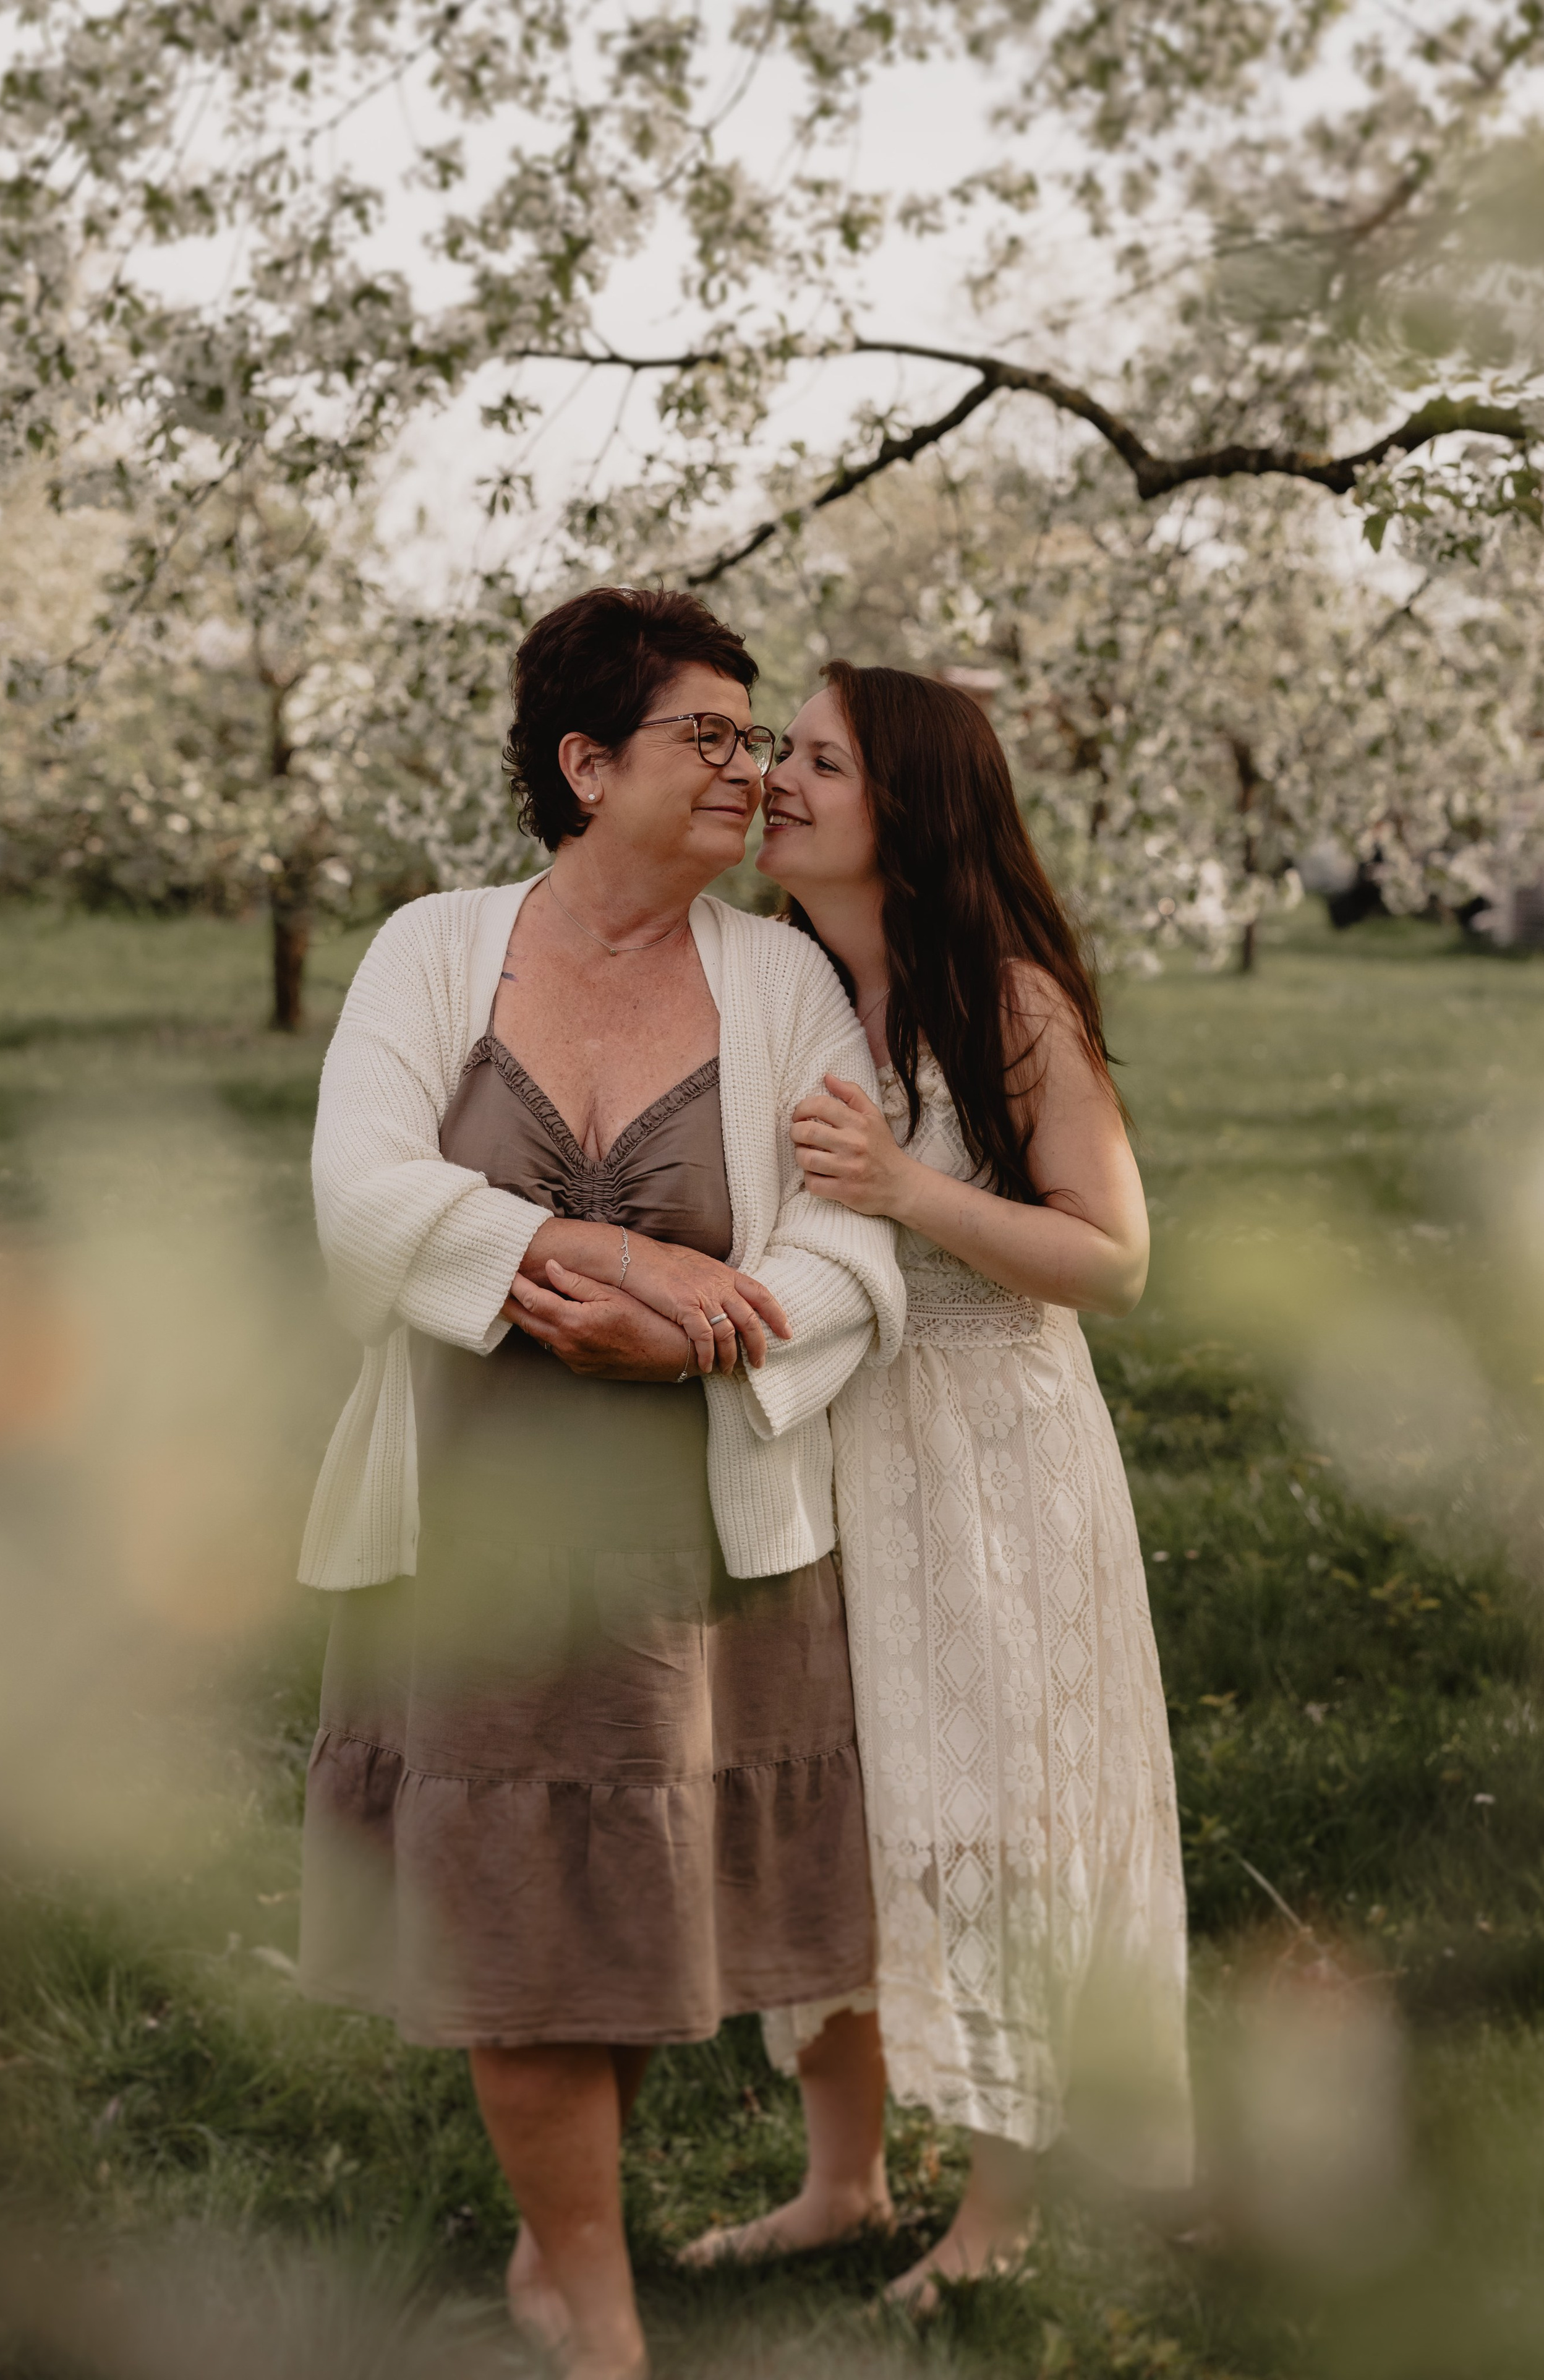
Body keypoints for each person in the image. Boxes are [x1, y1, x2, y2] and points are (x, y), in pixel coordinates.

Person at [294, 591, 904, 2380]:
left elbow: (853, 1256)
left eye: (756, 733)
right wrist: (584, 1247)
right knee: (518, 1907)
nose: (753, 769)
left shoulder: (780, 980)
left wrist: (708, 1339)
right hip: (479, 1537)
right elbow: (357, 1202)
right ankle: (592, 2297)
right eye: (709, 736)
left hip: (704, 1541)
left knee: (634, 1896)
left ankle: (557, 2246)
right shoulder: (437, 950)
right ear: (587, 764)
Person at [682, 662, 1193, 2308]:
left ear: (906, 802)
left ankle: (1002, 2209)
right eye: (781, 753)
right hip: (823, 1448)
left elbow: (1110, 1257)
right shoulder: (779, 985)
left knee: (992, 1816)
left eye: (818, 760)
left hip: (991, 1461)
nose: (777, 781)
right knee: (829, 1805)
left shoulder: (1005, 998)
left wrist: (907, 1190)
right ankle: (843, 2182)